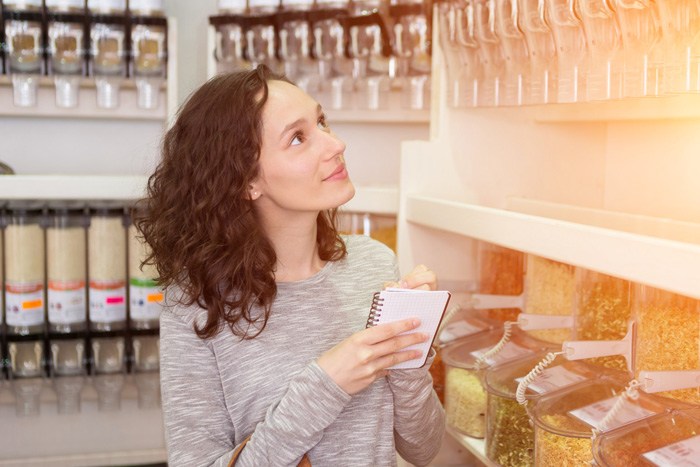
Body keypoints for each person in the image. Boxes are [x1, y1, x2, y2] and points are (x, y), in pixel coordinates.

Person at [135, 64, 445, 466]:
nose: (335, 144)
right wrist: (326, 385)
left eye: (321, 122)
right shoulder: (195, 303)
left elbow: (424, 448)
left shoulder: (374, 263)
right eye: (298, 138)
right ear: (247, 181)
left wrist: (408, 354)